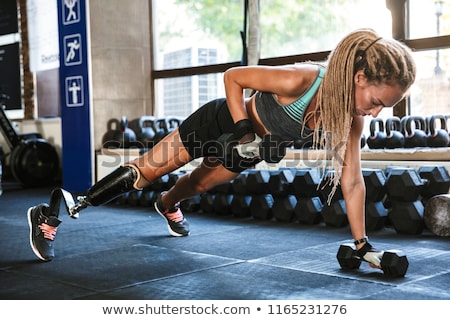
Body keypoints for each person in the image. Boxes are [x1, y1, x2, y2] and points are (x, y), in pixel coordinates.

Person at [28, 28, 416, 266]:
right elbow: (233, 77)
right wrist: (244, 129)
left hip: (246, 150)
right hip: (216, 123)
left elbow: (352, 182)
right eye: (378, 101)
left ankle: (166, 205)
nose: (377, 111)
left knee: (195, 186)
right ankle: (51, 213)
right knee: (145, 172)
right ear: (360, 77)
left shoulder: (351, 118)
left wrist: (362, 243)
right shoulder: (304, 80)